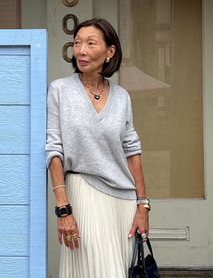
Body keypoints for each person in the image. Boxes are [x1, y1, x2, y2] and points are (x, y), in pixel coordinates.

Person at [45, 18, 150, 278]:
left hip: (123, 204)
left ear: (109, 52)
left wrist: (142, 206)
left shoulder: (122, 97)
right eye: (77, 43)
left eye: (90, 44)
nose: (80, 50)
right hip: (83, 195)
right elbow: (53, 151)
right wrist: (63, 209)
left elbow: (132, 152)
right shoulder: (59, 90)